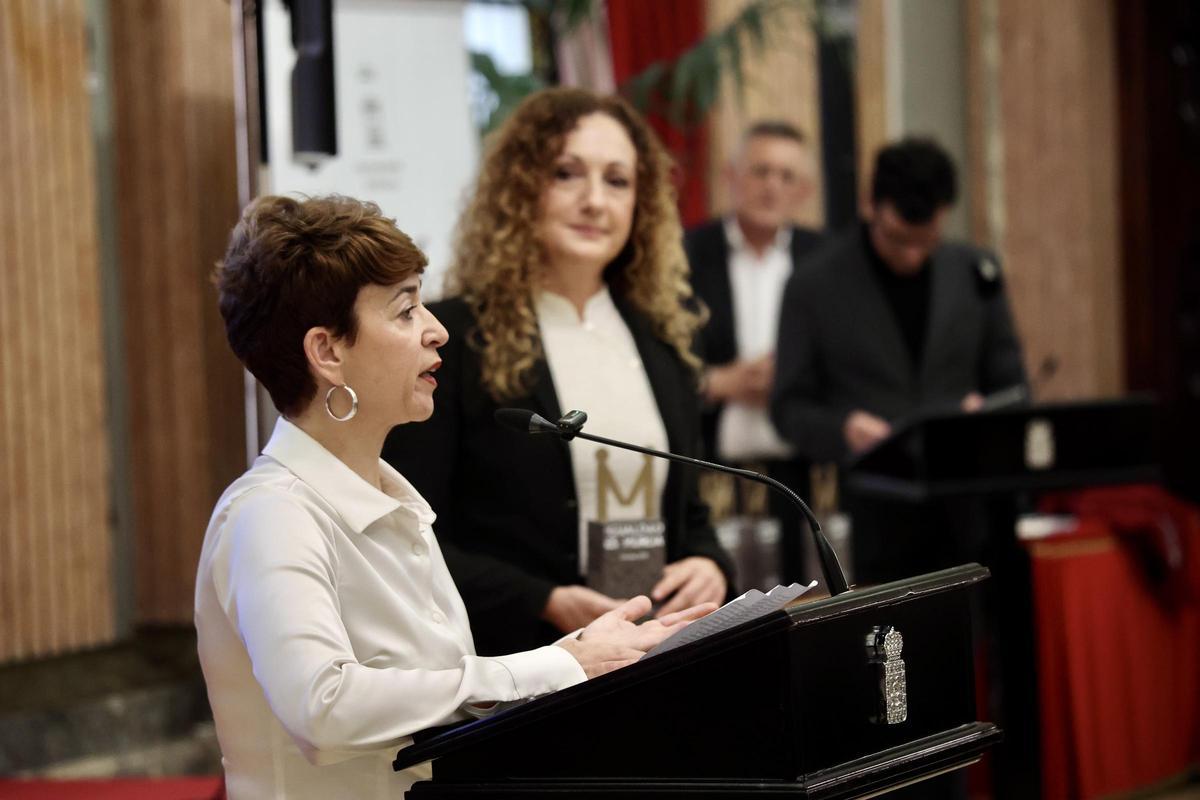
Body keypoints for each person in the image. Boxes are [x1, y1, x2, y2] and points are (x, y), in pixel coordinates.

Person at [195, 195, 714, 799]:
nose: (436, 329)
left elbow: (439, 704)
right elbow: (323, 706)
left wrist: (576, 659)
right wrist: (550, 667)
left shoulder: (394, 499)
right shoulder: (272, 514)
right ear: (328, 352)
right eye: (406, 310)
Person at [383, 88, 734, 657]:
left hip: (656, 655)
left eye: (617, 181)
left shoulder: (663, 344)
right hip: (519, 666)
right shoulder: (451, 340)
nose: (595, 200)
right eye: (568, 174)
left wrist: (708, 563)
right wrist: (543, 598)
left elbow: (691, 515)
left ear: (641, 205)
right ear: (521, 191)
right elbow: (409, 538)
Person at [770, 137, 1028, 582]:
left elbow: (1012, 383)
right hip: (869, 517)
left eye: (925, 241)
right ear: (871, 204)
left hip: (966, 513)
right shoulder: (813, 284)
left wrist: (987, 415)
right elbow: (788, 406)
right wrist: (843, 428)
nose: (911, 255)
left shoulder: (975, 271)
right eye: (897, 239)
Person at [684, 121, 825, 583]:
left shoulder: (825, 257)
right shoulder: (685, 254)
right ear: (731, 176)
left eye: (786, 176)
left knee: (813, 596)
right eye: (760, 171)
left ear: (803, 190)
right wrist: (721, 382)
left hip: (810, 468)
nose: (772, 186)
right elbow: (657, 360)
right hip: (716, 467)